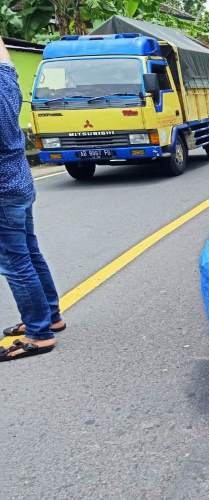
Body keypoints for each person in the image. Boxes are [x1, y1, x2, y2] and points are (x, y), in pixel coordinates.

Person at [0, 37, 64, 362]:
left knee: (15, 262)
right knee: (29, 250)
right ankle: (49, 314)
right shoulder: (6, 80)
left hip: (3, 188)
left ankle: (39, 333)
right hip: (19, 181)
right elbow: (5, 58)